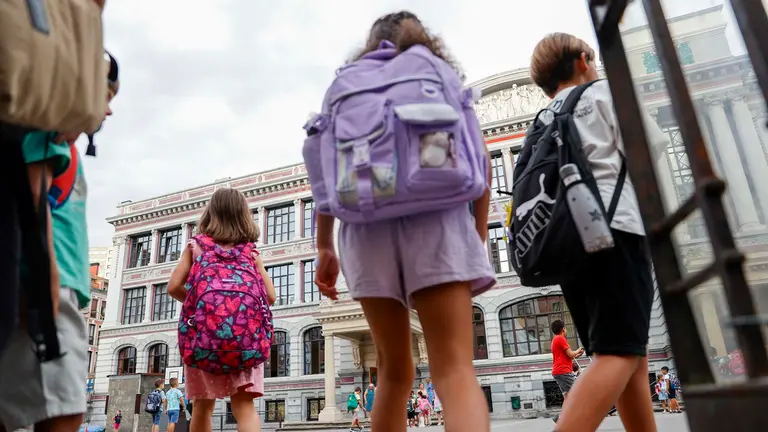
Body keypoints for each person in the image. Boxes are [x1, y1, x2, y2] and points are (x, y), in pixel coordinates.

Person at [311, 12, 495, 432]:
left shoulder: (346, 85)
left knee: (393, 370)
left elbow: (324, 177)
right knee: (454, 369)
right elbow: (481, 163)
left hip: (365, 230)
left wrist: (324, 246)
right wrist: (478, 234)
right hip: (437, 221)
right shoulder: (435, 71)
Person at [528, 33, 667, 432]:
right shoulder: (603, 94)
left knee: (628, 355)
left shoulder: (542, 120)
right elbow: (652, 147)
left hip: (567, 244)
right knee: (618, 355)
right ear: (584, 60)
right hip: (614, 230)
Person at [0, 50, 119, 432]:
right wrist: (45, 276)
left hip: (48, 288)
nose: (109, 111)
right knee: (63, 411)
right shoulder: (48, 132)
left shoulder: (59, 143)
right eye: (105, 96)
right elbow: (34, 202)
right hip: (51, 289)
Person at [168, 188, 277, 432]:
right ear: (244, 215)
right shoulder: (250, 253)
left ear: (211, 213)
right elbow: (270, 296)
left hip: (204, 340)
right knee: (245, 407)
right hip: (245, 341)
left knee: (202, 406)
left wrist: (201, 308)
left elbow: (173, 287)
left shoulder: (196, 247)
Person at [550, 320, 584, 423]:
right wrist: (579, 349)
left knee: (567, 396)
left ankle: (560, 418)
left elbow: (568, 357)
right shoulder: (561, 339)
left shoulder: (555, 340)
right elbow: (571, 354)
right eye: (565, 328)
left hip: (558, 372)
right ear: (563, 329)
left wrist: (577, 354)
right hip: (563, 371)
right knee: (579, 392)